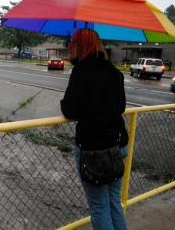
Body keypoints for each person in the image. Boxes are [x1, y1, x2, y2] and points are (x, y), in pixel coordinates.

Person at [61, 28, 128, 230]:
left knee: (98, 206)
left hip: (93, 149)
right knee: (114, 201)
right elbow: (121, 107)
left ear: (81, 46)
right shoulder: (114, 72)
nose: (69, 46)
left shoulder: (81, 71)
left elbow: (70, 110)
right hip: (118, 144)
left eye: (72, 43)